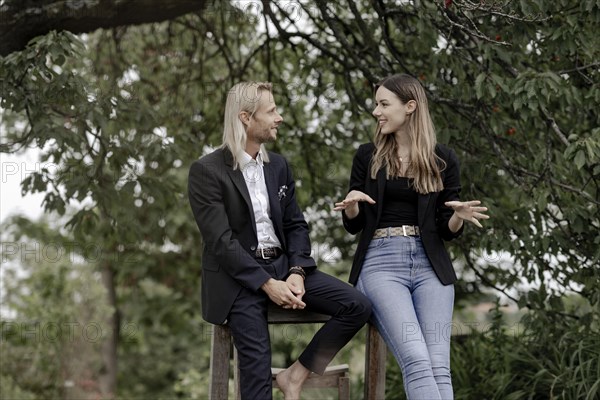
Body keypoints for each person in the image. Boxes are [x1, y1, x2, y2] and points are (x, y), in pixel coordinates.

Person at [188, 81, 372, 400]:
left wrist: (297, 272)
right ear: (246, 117)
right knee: (257, 377)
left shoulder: (279, 166)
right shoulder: (207, 171)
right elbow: (222, 242)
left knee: (357, 305)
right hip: (239, 280)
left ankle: (295, 374)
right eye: (272, 111)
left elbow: (295, 224)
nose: (280, 117)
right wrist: (266, 284)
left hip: (285, 267)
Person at [334, 73, 489, 400]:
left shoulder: (442, 160)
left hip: (429, 264)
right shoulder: (367, 155)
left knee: (438, 366)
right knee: (417, 360)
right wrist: (350, 207)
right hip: (381, 263)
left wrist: (458, 218)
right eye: (376, 104)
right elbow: (354, 225)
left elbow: (446, 230)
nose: (376, 111)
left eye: (383, 104)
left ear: (410, 107)